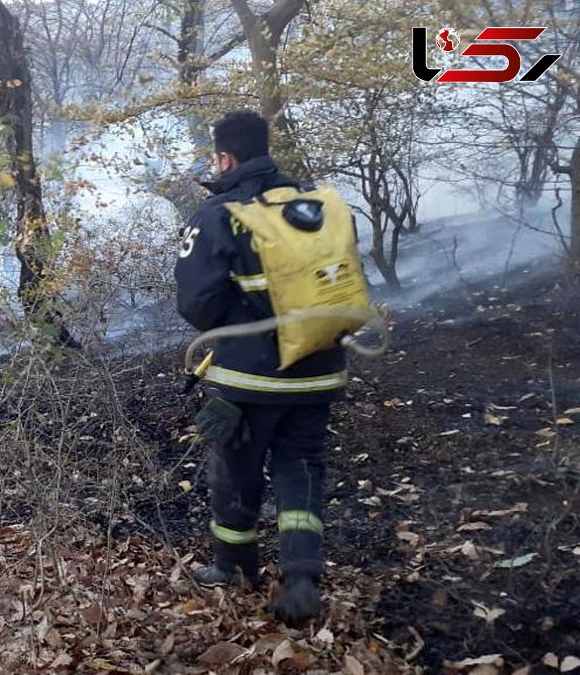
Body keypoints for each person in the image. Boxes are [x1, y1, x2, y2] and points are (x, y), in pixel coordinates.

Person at [173, 110, 346, 626]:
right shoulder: (313, 203)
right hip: (317, 370)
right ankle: (300, 576)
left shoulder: (216, 213)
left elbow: (197, 303)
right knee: (301, 468)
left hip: (247, 380)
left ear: (225, 157)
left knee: (236, 471)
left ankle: (234, 566)